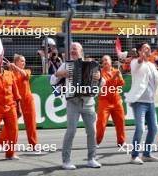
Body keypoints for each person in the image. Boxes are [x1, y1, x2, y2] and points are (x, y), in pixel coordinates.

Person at [50, 42, 102, 170]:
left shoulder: (93, 65)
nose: (72, 50)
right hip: (73, 102)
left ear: (81, 50)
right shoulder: (65, 65)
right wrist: (59, 74)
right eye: (71, 49)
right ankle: (66, 161)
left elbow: (102, 83)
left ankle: (91, 159)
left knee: (92, 131)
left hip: (88, 102)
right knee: (71, 131)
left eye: (75, 48)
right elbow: (52, 80)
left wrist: (99, 78)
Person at [125, 42, 158, 165]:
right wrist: (141, 57)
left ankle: (146, 154)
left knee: (154, 128)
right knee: (140, 128)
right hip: (139, 102)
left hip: (150, 101)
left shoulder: (152, 65)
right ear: (140, 51)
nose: (148, 50)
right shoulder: (135, 62)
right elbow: (138, 65)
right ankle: (134, 156)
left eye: (149, 48)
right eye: (145, 48)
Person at [0, 54, 38, 149]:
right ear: (16, 62)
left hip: (27, 100)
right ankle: (0, 143)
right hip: (15, 101)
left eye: (24, 61)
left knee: (31, 123)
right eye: (22, 61)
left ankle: (33, 145)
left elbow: (24, 74)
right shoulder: (9, 73)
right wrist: (10, 69)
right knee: (10, 123)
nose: (24, 63)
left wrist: (15, 68)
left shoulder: (27, 71)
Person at [96, 55, 126, 147]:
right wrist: (115, 76)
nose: (104, 61)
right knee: (101, 122)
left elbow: (122, 84)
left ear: (110, 61)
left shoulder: (115, 71)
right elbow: (106, 84)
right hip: (104, 101)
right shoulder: (100, 73)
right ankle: (96, 141)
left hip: (116, 100)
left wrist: (119, 76)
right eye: (103, 60)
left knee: (120, 121)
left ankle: (121, 142)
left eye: (106, 59)